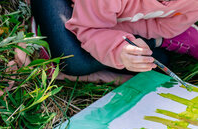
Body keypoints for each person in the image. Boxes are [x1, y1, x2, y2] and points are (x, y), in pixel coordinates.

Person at [30, 0, 198, 80]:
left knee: (157, 63)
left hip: (108, 19)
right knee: (74, 61)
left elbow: (163, 24)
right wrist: (119, 48)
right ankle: (160, 41)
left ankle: (162, 40)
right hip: (71, 9)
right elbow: (89, 29)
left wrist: (123, 44)